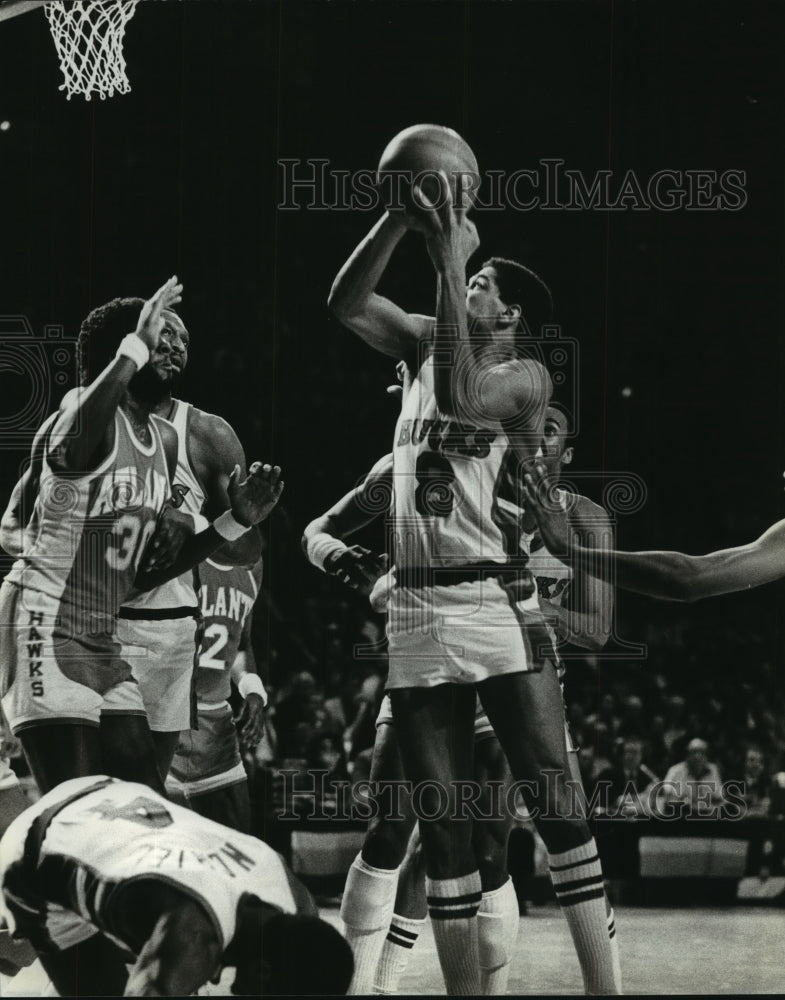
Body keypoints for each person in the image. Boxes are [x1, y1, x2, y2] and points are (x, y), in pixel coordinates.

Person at [0, 277, 283, 796]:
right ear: (128, 345)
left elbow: (150, 572)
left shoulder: (168, 440)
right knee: (78, 804)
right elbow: (26, 507)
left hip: (102, 632)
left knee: (141, 796)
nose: (175, 348)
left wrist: (231, 521)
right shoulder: (78, 412)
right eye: (164, 336)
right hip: (44, 619)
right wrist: (133, 346)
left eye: (182, 342)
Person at [0, 775, 353, 996]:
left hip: (108, 793)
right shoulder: (189, 942)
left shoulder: (296, 900)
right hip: (36, 847)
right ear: (263, 970)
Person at [166, 551, 266, 834]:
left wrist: (253, 692)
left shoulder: (254, 562)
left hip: (215, 728)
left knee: (235, 846)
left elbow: (241, 645)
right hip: (161, 719)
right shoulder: (184, 543)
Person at [659, 737, 724, 816]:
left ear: (707, 756)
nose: (698, 756)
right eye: (694, 752)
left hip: (706, 817)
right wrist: (682, 801)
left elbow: (719, 797)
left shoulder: (713, 770)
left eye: (702, 752)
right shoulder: (675, 771)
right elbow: (667, 795)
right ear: (687, 755)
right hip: (680, 816)